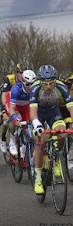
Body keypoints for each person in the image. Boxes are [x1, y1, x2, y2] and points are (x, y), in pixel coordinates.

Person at [30, 65, 73, 194]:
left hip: (54, 114)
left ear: (55, 81)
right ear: (41, 82)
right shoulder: (35, 88)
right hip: (39, 115)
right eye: (45, 84)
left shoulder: (62, 87)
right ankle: (38, 179)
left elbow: (71, 107)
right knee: (41, 142)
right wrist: (37, 125)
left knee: (62, 134)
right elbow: (32, 113)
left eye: (51, 83)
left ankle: (57, 159)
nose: (48, 87)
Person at [8, 70, 37, 157]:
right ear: (23, 82)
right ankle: (12, 141)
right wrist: (14, 118)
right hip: (14, 106)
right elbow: (11, 109)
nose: (30, 86)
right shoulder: (16, 89)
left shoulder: (36, 89)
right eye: (27, 84)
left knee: (28, 129)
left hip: (25, 107)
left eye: (32, 84)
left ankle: (25, 144)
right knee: (18, 118)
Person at [0, 63, 25, 153]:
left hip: (19, 103)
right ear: (16, 73)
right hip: (7, 100)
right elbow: (3, 95)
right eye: (20, 73)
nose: (22, 75)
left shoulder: (27, 80)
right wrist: (3, 110)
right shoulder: (10, 79)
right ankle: (3, 139)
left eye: (24, 73)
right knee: (6, 120)